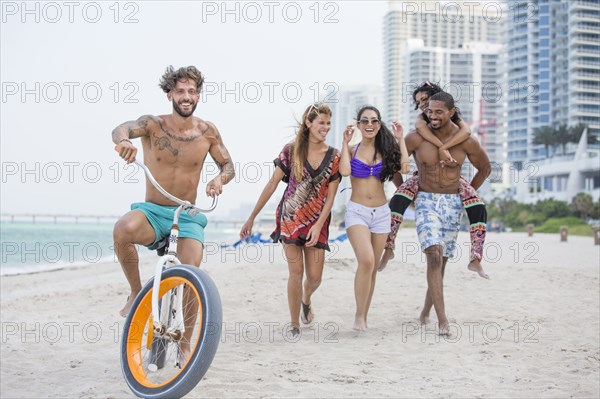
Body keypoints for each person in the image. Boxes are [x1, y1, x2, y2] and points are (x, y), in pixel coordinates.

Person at [112, 65, 235, 320]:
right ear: (170, 95)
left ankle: (186, 345)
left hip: (187, 215)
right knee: (122, 229)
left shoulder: (207, 132)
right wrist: (123, 142)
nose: (186, 96)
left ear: (198, 95)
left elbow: (228, 166)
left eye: (191, 91)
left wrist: (218, 180)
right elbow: (121, 129)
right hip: (153, 213)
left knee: (191, 276)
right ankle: (136, 292)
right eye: (180, 91)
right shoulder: (152, 124)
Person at [239, 103, 341, 337]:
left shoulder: (335, 156)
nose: (325, 127)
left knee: (315, 277)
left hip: (318, 220)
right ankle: (294, 324)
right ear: (308, 123)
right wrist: (252, 217)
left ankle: (306, 299)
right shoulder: (291, 150)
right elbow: (272, 184)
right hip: (290, 219)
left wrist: (318, 225)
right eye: (320, 123)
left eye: (327, 123)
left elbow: (331, 197)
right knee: (296, 272)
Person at [379, 81, 489, 279]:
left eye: (425, 100)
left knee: (478, 205)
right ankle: (388, 246)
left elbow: (466, 132)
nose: (422, 105)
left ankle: (476, 258)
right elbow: (396, 162)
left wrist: (464, 194)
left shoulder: (456, 122)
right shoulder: (421, 123)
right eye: (419, 103)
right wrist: (442, 147)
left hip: (454, 184)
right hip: (421, 180)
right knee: (397, 199)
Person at [405, 92, 491, 335]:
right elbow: (394, 166)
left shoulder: (466, 141)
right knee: (433, 254)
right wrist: (406, 194)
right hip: (426, 201)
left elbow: (485, 167)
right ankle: (443, 320)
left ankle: (425, 311)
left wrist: (468, 193)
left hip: (453, 203)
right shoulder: (415, 138)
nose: (432, 116)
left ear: (452, 112)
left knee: (440, 263)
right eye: (430, 111)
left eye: (438, 112)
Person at [339, 105, 409, 331]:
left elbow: (405, 169)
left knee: (373, 267)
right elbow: (345, 172)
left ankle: (364, 316)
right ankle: (358, 315)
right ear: (358, 124)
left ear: (379, 125)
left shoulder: (387, 151)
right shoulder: (351, 149)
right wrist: (343, 143)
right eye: (365, 121)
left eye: (374, 121)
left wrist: (401, 139)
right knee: (367, 261)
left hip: (381, 214)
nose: (370, 125)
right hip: (357, 211)